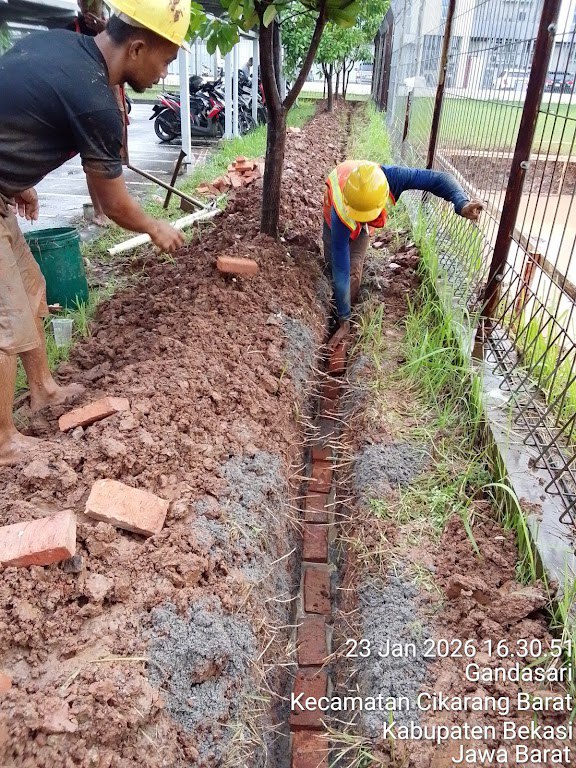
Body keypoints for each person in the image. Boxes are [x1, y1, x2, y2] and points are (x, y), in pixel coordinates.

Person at [0, 0, 191, 466]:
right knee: (6, 322)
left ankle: (44, 389)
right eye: (165, 61)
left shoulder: (63, 45)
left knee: (31, 287)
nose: (165, 74)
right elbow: (110, 202)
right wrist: (152, 226)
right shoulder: (95, 100)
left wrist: (15, 177)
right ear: (139, 48)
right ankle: (4, 442)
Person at [323, 160, 484, 344]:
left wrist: (461, 203)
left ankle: (347, 316)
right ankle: (336, 313)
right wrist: (342, 319)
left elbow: (439, 179)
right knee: (333, 268)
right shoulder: (339, 211)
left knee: (353, 270)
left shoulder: (391, 178)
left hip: (361, 206)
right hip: (335, 218)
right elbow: (340, 266)